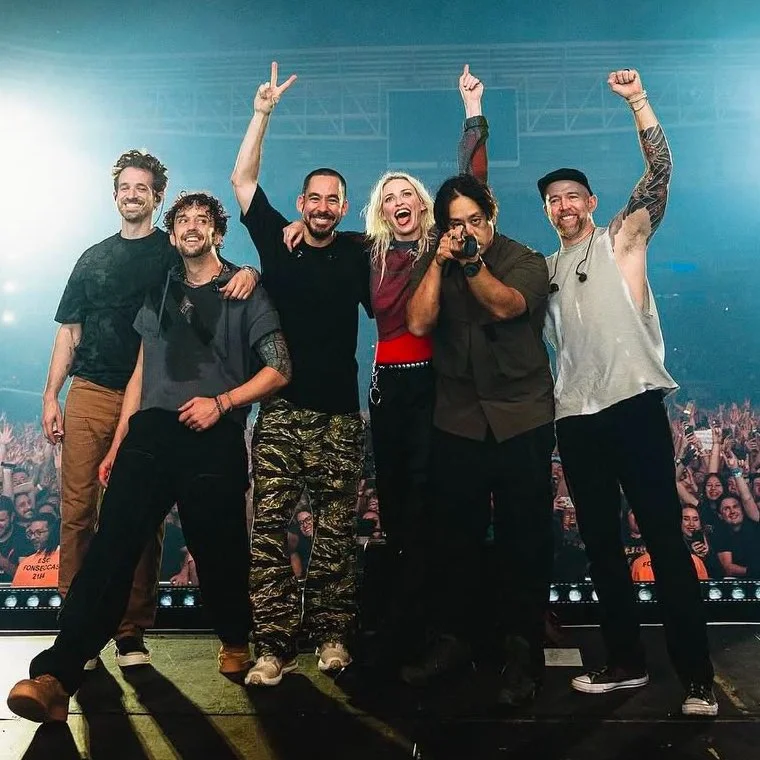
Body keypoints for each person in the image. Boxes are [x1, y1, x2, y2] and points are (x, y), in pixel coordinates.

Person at [6, 191, 290, 724]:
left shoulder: (244, 289)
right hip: (152, 431)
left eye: (202, 220)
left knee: (220, 550)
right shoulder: (160, 290)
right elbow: (142, 367)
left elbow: (280, 369)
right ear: (173, 233)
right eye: (182, 220)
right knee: (111, 545)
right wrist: (120, 442)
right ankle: (55, 677)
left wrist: (222, 403)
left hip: (215, 430)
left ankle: (235, 637)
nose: (191, 227)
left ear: (217, 233)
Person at [539, 68, 716, 716]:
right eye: (552, 199)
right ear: (546, 211)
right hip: (575, 418)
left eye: (572, 195)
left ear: (590, 202)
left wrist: (638, 101)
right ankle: (625, 663)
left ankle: (697, 679)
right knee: (603, 549)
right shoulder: (543, 271)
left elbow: (660, 174)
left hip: (634, 407)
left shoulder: (621, 240)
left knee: (665, 542)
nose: (563, 205)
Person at [41, 150, 256, 668]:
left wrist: (248, 270)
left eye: (143, 188)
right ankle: (76, 628)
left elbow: (214, 271)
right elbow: (69, 331)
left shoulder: (173, 249)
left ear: (158, 197)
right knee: (78, 512)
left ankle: (130, 631)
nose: (132, 195)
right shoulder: (91, 258)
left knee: (139, 520)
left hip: (154, 397)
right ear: (115, 194)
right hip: (91, 391)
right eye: (126, 187)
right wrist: (51, 394)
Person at [231, 63, 371, 686]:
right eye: (313, 198)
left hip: (340, 415)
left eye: (332, 199)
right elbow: (242, 179)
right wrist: (262, 112)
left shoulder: (360, 252)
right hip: (282, 413)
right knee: (268, 533)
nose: (321, 207)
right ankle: (273, 647)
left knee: (336, 535)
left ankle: (332, 638)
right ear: (301, 204)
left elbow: (410, 236)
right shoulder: (276, 243)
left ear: (344, 207)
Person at [404, 173, 555, 707]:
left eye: (474, 220)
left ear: (491, 218)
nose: (466, 231)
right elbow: (418, 324)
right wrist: (439, 262)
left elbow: (506, 306)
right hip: (459, 415)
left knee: (524, 537)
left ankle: (523, 652)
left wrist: (470, 263)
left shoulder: (525, 260)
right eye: (455, 224)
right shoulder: (437, 259)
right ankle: (453, 640)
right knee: (454, 535)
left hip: (521, 414)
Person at [356, 65, 488, 669]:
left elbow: (471, 185)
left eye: (406, 193)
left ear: (421, 204)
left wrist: (472, 112)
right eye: (389, 198)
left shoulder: (442, 243)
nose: (398, 202)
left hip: (437, 382)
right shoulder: (371, 254)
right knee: (397, 507)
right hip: (388, 388)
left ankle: (448, 628)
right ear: (380, 212)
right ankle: (407, 624)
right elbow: (316, 251)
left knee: (435, 501)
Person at [712, 494, 760, 577]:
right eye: (726, 509)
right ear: (720, 515)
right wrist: (754, 572)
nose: (732, 511)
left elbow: (747, 498)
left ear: (743, 510)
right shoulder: (720, 535)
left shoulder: (755, 526)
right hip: (741, 581)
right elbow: (728, 569)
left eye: (735, 506)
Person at [12, 515, 61, 588]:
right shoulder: (25, 562)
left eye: (39, 532)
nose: (33, 537)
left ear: (52, 532)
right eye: (31, 533)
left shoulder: (65, 559)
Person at [0, 497, 34, 583]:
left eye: (1, 520)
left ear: (12, 517)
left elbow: (26, 577)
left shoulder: (25, 537)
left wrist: (2, 562)